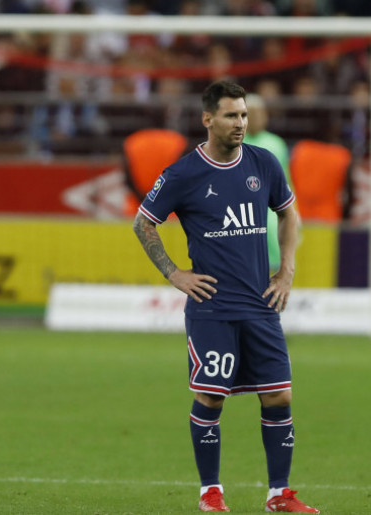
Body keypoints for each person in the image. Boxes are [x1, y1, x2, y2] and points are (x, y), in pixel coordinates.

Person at [132, 80, 318, 514]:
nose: (241, 123)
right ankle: (210, 492)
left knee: (279, 396)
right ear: (208, 119)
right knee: (211, 398)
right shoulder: (182, 174)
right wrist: (174, 273)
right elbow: (143, 222)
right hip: (212, 309)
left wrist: (286, 271)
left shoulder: (263, 162)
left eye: (244, 115)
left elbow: (289, 213)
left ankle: (279, 494)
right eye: (232, 115)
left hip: (260, 305)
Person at [242, 93, 292, 273]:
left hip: (271, 208)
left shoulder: (276, 144)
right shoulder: (233, 142)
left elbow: (286, 182)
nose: (256, 118)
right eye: (250, 114)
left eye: (259, 113)